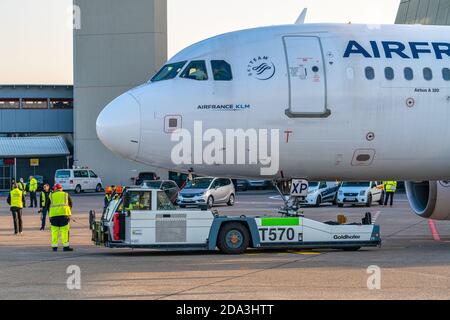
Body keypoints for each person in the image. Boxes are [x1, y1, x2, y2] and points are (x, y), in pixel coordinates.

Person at [49, 184, 74, 252]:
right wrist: (68, 211)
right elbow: (70, 203)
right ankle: (66, 247)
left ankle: (54, 247)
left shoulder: (51, 195)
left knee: (54, 231)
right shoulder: (65, 194)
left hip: (53, 216)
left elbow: (47, 205)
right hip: (64, 215)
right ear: (61, 188)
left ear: (55, 189)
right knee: (64, 231)